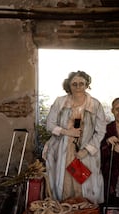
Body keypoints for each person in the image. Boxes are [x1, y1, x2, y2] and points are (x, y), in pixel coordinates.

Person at [43, 70, 106, 204]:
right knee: (64, 182)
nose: (78, 87)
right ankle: (65, 213)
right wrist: (67, 132)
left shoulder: (95, 105)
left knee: (84, 183)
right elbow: (49, 125)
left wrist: (86, 150)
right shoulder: (60, 102)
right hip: (62, 150)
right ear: (69, 85)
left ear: (86, 85)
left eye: (81, 84)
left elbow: (100, 131)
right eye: (74, 84)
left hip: (85, 152)